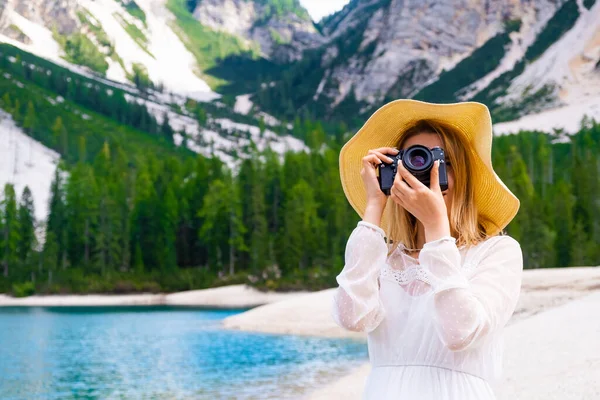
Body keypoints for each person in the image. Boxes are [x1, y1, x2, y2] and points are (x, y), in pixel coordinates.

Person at [330, 99, 523, 399]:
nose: (423, 172)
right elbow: (350, 316)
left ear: (462, 175)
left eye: (438, 162)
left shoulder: (498, 252)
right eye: (411, 161)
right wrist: (373, 206)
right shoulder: (386, 259)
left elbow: (460, 331)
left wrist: (436, 228)